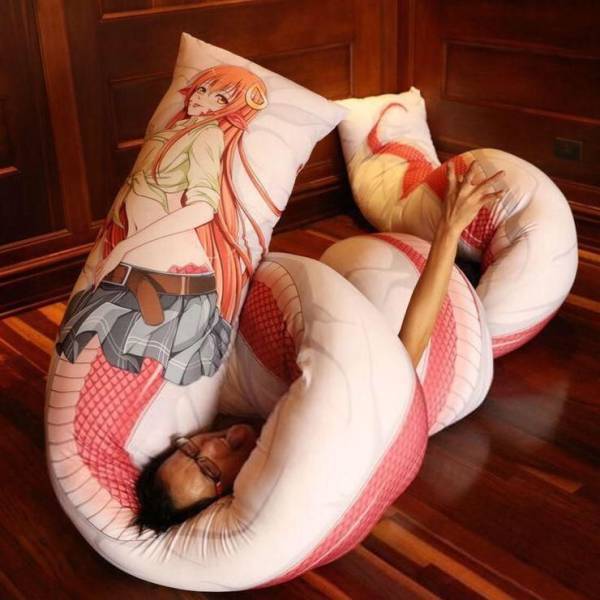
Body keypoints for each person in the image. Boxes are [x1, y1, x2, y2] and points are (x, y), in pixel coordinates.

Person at [133, 159, 506, 534]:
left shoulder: (217, 401)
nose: (209, 447)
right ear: (226, 498)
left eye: (189, 449)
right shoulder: (309, 454)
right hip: (446, 343)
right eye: (208, 469)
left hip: (371, 271)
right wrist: (449, 231)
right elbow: (402, 358)